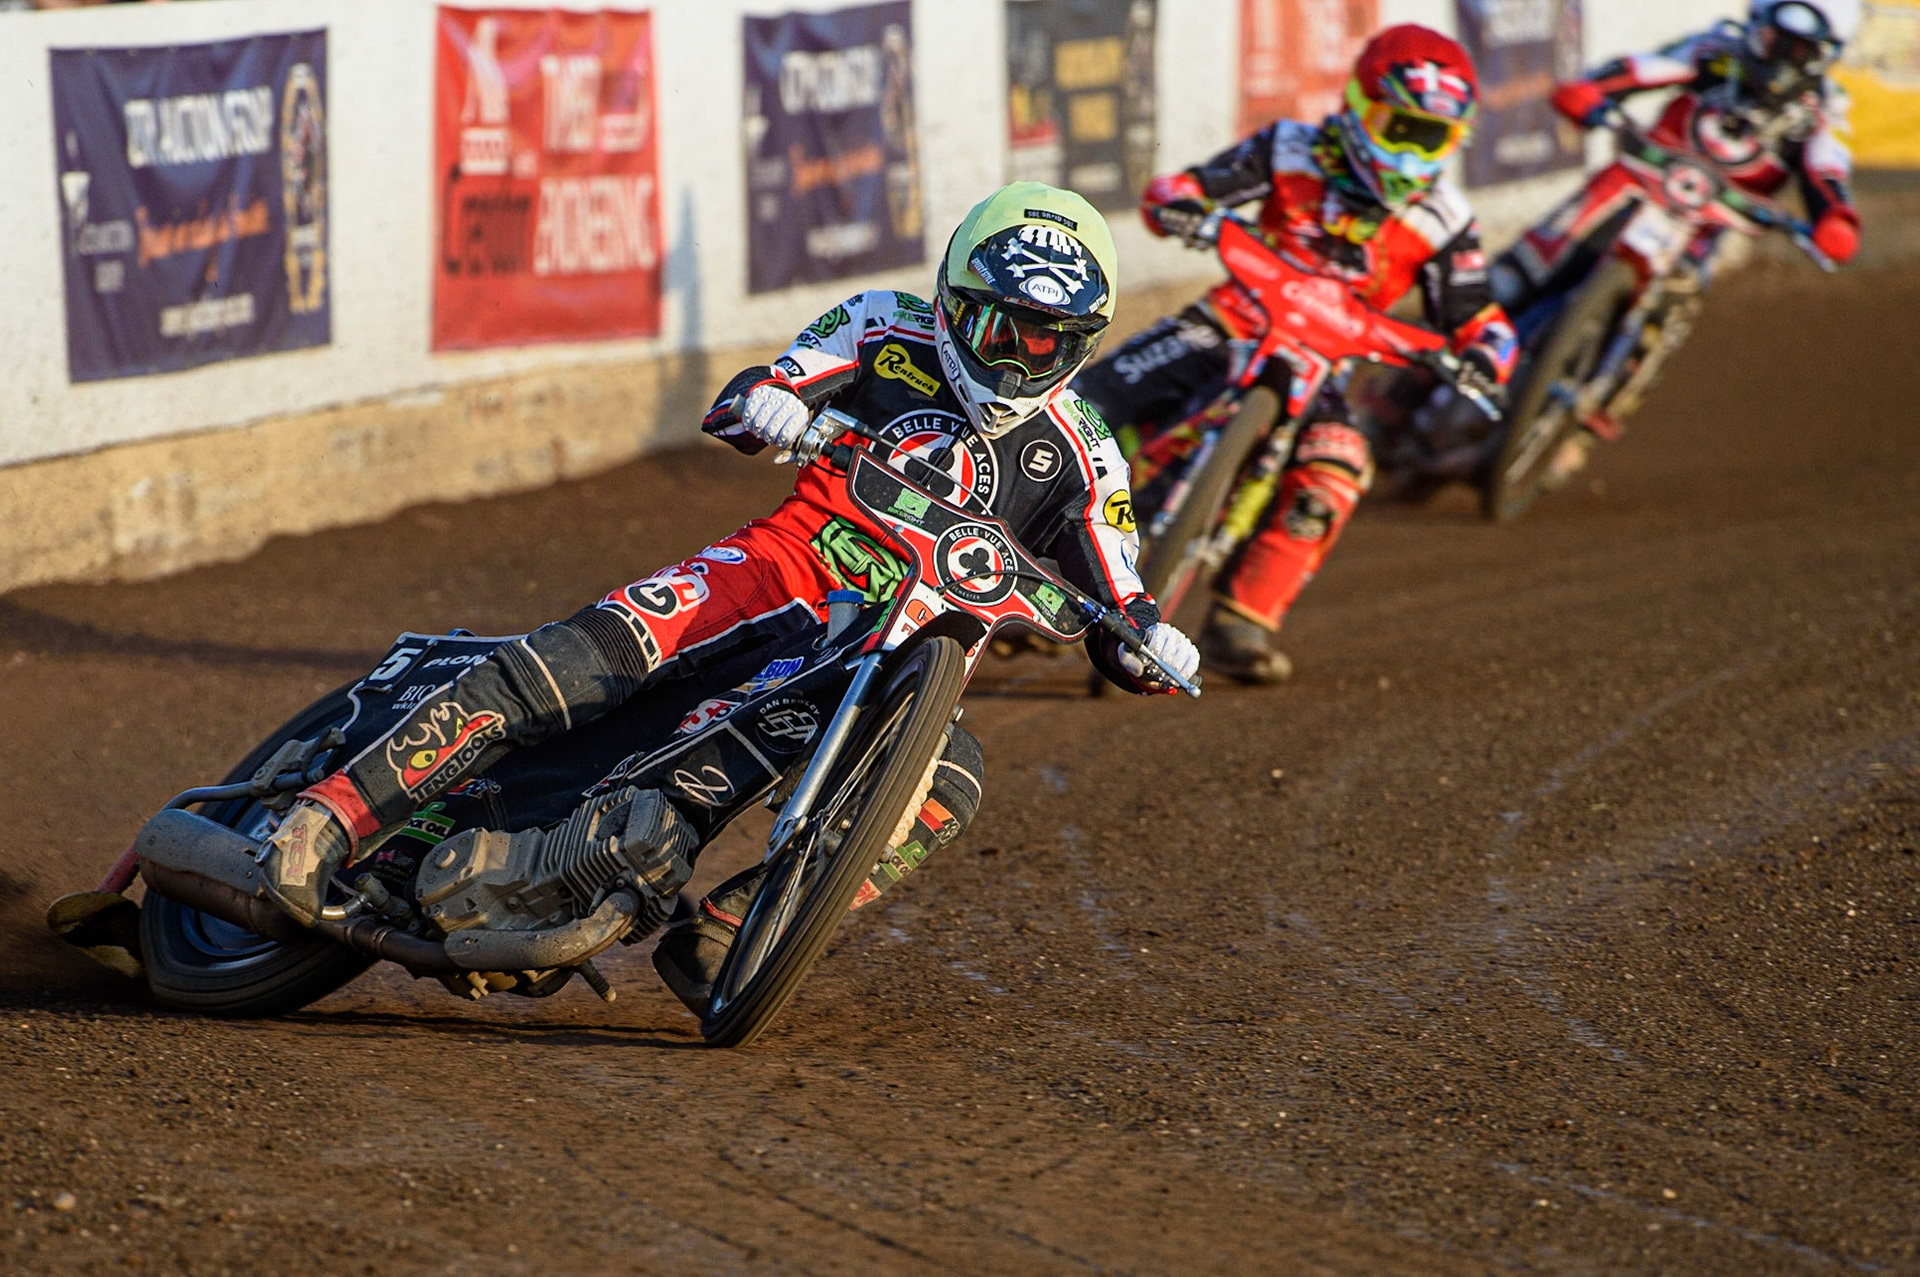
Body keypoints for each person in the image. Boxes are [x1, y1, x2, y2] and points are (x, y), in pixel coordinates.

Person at [254, 182, 1200, 1013]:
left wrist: (1157, 643)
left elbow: (1121, 597)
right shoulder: (882, 323)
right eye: (1005, 327)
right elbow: (755, 392)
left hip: (885, 672)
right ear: (957, 300)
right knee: (595, 653)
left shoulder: (1084, 451)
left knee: (949, 780)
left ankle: (730, 931)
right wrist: (773, 401)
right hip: (775, 573)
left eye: (1054, 339)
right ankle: (332, 812)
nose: (1023, 356)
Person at [1074, 24, 1515, 685]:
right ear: (1364, 108)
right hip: (1227, 323)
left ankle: (1242, 618)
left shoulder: (1444, 216)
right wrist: (1184, 204)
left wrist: (1487, 352)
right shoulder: (1290, 148)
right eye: (1405, 128)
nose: (1416, 152)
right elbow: (1188, 188)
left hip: (1325, 365)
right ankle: (1019, 546)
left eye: (1436, 137)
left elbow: (1478, 314)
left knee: (1339, 464)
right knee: (1085, 408)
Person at [1498, 0, 1863, 313]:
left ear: (1824, 57)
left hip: (1709, 226)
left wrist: (1835, 219)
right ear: (1756, 27)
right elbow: (1644, 68)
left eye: (1800, 51)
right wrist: (1591, 92)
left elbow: (1827, 170)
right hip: (1634, 180)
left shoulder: (1821, 113)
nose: (1781, 62)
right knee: (1514, 277)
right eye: (1773, 42)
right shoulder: (1715, 54)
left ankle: (1617, 374)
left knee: (1672, 300)